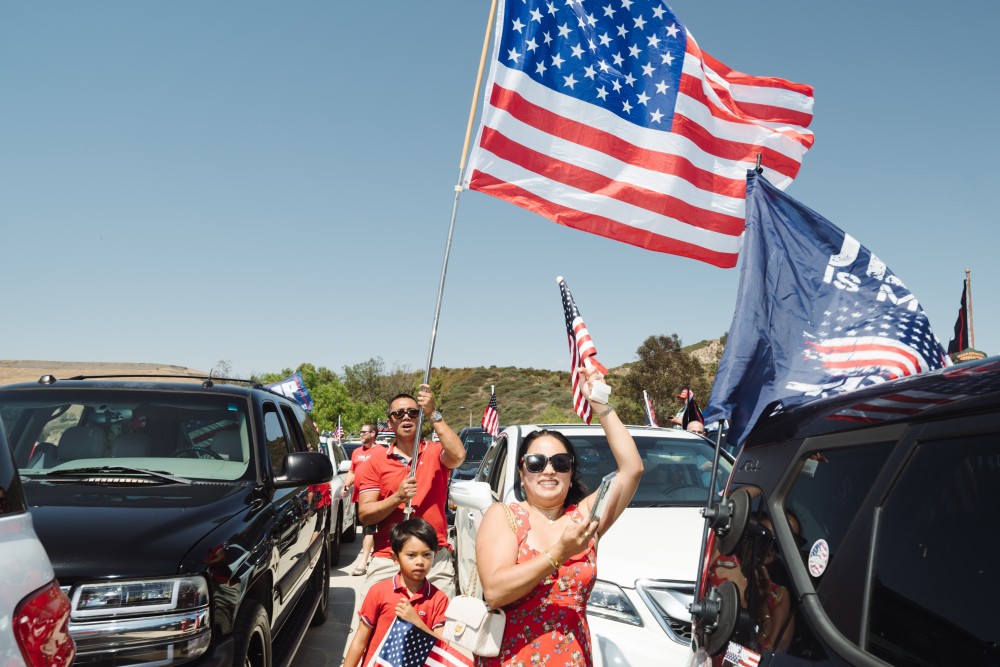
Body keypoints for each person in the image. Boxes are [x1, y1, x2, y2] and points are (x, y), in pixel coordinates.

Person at [475, 366, 643, 666]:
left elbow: (631, 468)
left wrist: (601, 404)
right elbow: (496, 590)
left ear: (571, 471)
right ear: (522, 471)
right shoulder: (504, 516)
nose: (549, 470)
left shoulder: (584, 518)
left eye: (560, 462)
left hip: (573, 657)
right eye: (537, 462)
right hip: (513, 658)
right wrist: (559, 552)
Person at [357, 385, 465, 597]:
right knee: (373, 622)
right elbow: (365, 515)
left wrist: (433, 413)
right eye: (398, 413)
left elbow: (459, 455)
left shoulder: (436, 452)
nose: (406, 417)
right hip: (389, 557)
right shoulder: (375, 462)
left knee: (441, 626)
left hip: (433, 557)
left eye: (413, 413)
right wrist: (397, 497)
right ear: (390, 422)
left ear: (420, 418)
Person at [343, 519, 451, 667]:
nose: (420, 561)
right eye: (411, 555)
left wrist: (416, 622)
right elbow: (360, 640)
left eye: (426, 555)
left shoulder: (438, 599)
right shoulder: (379, 592)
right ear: (395, 558)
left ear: (435, 555)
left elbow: (441, 647)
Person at [344, 423, 380, 576]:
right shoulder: (357, 452)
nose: (361, 434)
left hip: (376, 496)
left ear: (373, 433)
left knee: (370, 527)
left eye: (364, 432)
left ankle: (364, 561)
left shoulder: (381, 452)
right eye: (361, 431)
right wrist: (346, 486)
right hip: (360, 496)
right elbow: (352, 472)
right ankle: (372, 556)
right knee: (368, 527)